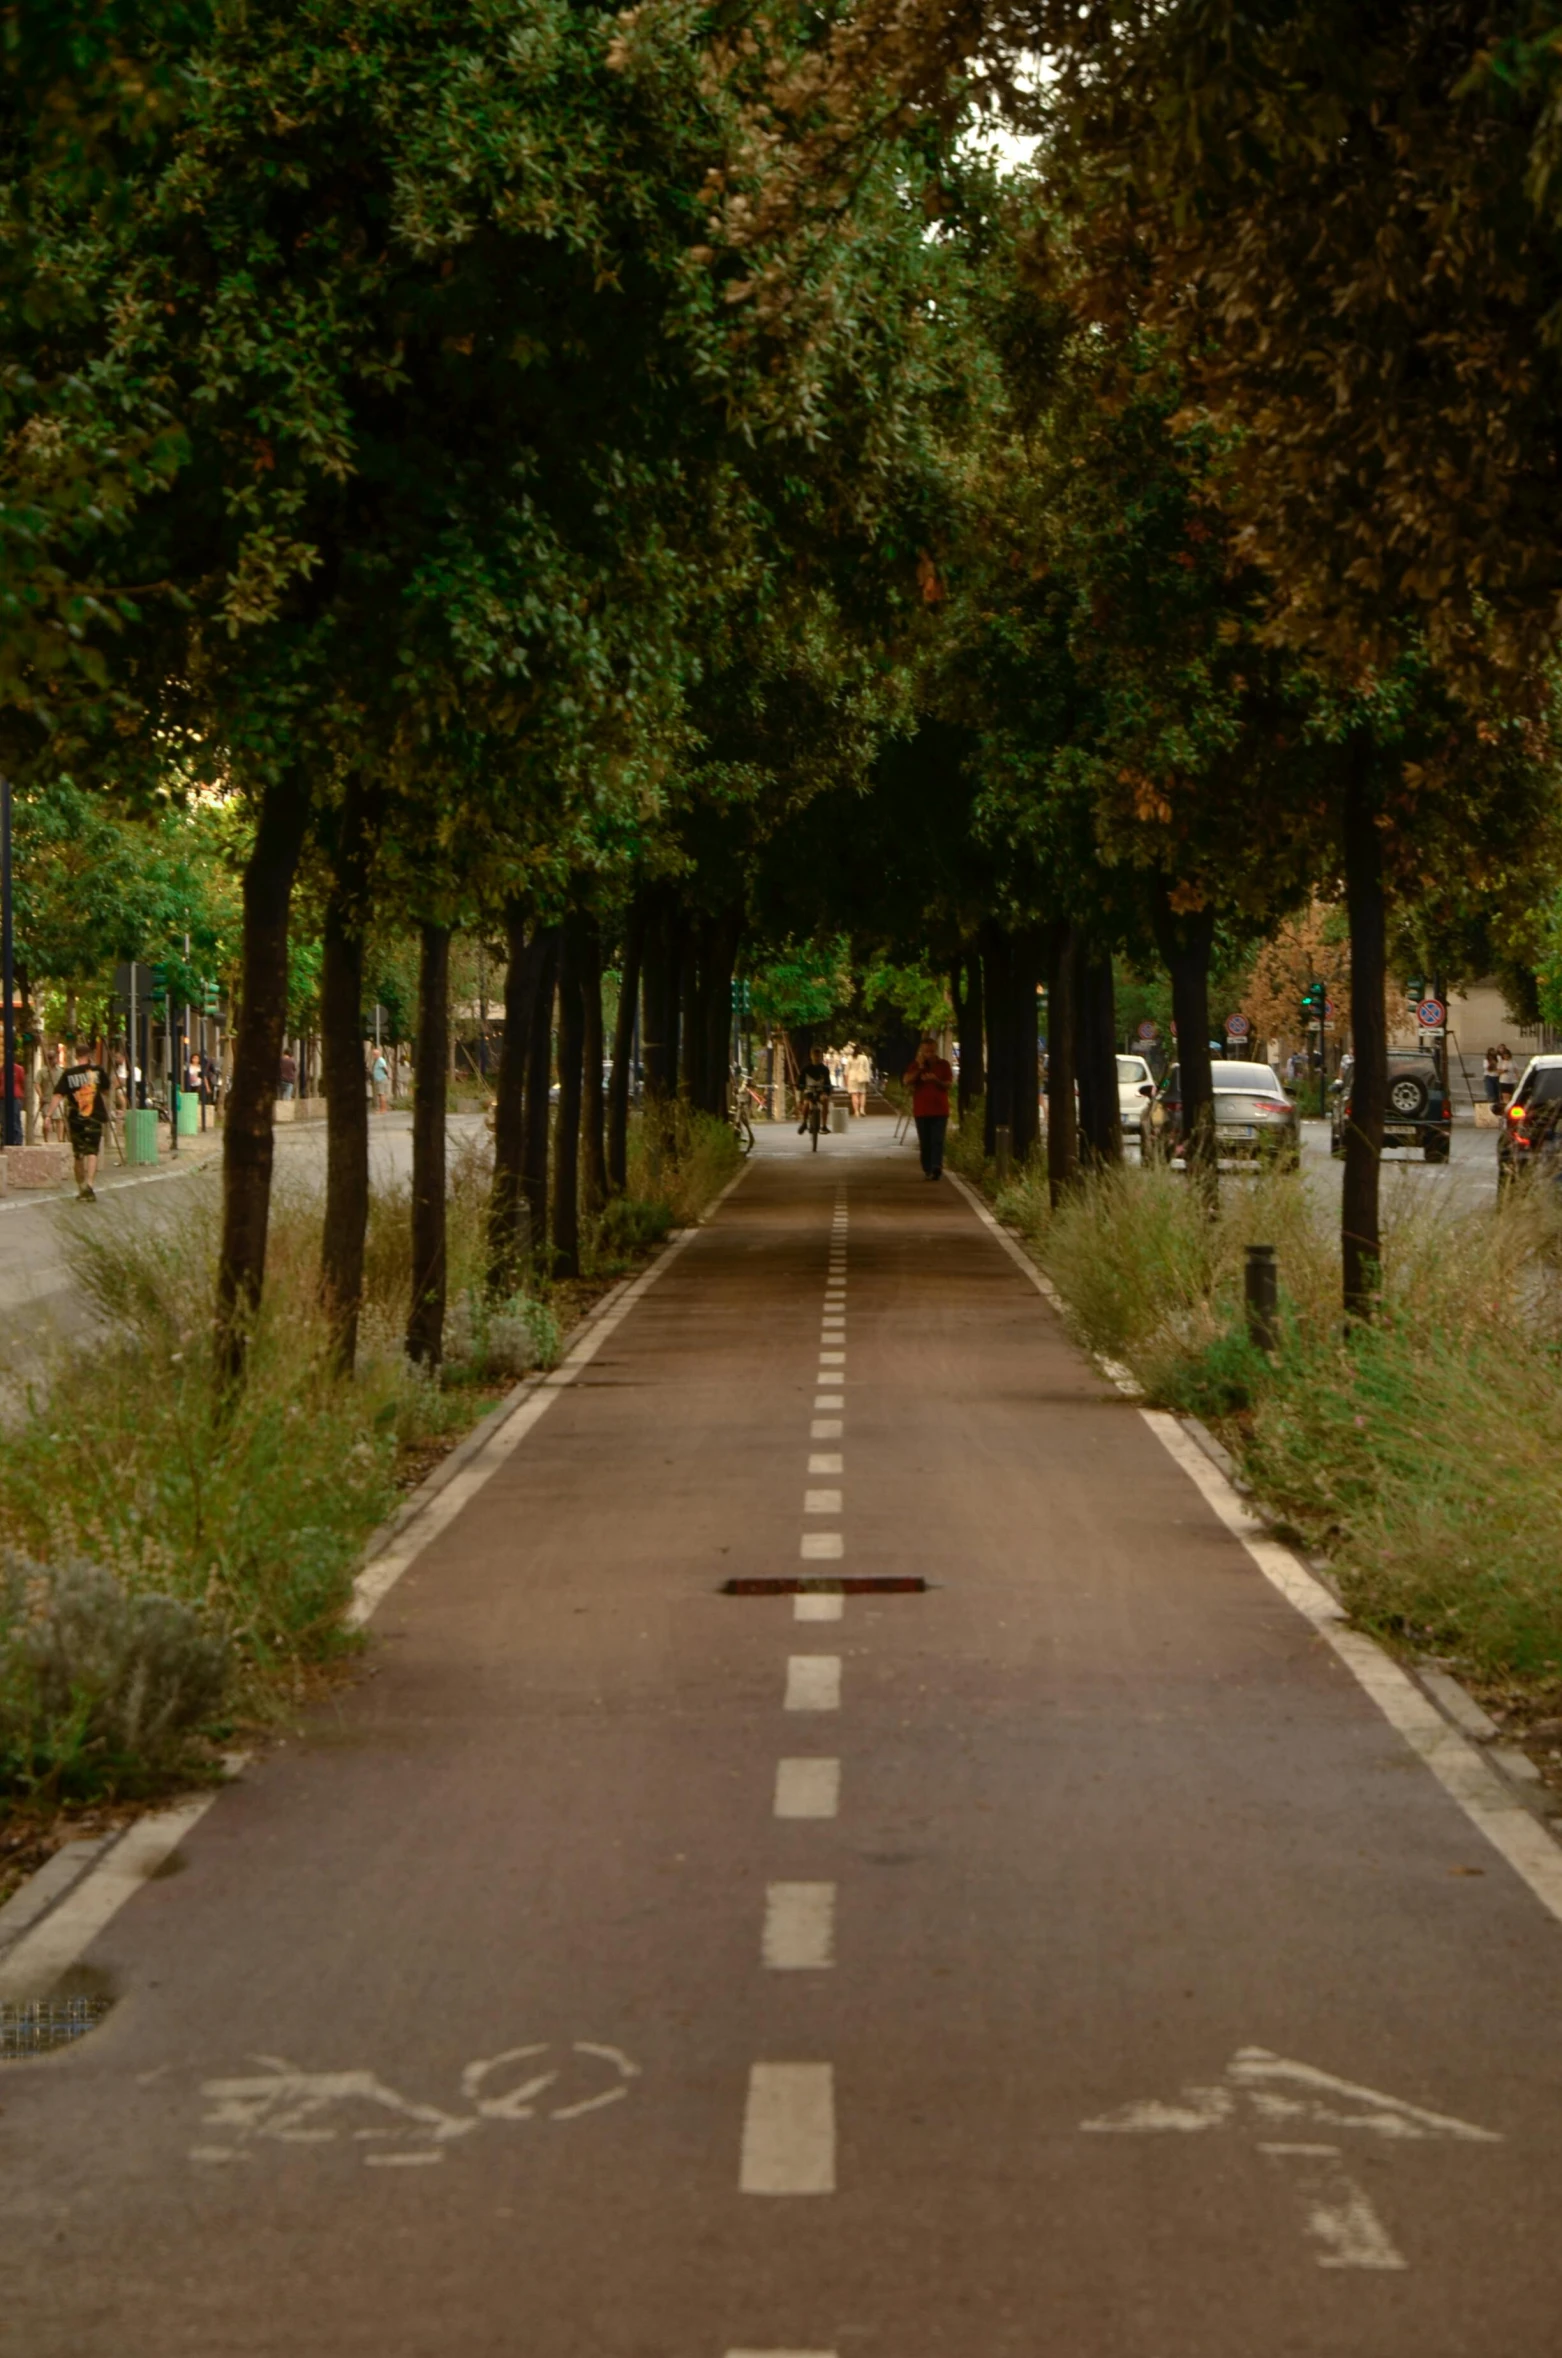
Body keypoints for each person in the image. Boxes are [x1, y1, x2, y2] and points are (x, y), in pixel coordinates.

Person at [54, 1045, 112, 1200]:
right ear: (90, 1055)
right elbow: (106, 1090)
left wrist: (48, 1115)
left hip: (76, 1118)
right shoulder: (98, 1071)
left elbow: (58, 1095)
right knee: (92, 1152)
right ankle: (90, 1185)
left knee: (78, 1154)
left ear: (75, 1055)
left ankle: (81, 1188)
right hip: (95, 1116)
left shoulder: (68, 1073)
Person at [904, 1034, 953, 1179]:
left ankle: (936, 1167)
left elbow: (949, 1084)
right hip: (922, 1110)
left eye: (931, 1051)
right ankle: (927, 1168)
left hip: (940, 1109)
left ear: (935, 1051)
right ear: (921, 1052)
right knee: (925, 1141)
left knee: (937, 1140)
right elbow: (907, 1080)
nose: (929, 1055)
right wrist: (919, 1068)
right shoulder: (915, 1065)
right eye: (926, 1052)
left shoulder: (943, 1065)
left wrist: (936, 1080)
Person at [796, 1045, 832, 1134]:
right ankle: (804, 1122)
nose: (817, 1058)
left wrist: (826, 1092)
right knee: (807, 1103)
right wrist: (800, 1089)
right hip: (809, 1091)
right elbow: (800, 1083)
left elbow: (827, 1083)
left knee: (825, 1100)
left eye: (819, 1055)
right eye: (815, 1055)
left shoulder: (825, 1069)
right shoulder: (805, 1069)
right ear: (811, 1056)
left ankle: (824, 1125)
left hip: (820, 1092)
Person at [846, 1041, 873, 1118]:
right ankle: (862, 1109)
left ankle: (856, 1111)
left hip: (852, 1078)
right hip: (862, 1077)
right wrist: (868, 1078)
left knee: (854, 1094)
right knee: (862, 1093)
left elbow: (846, 1071)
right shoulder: (864, 1058)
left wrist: (846, 1081)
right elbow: (867, 1069)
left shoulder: (850, 1058)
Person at [370, 1047, 389, 1113]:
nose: (373, 1056)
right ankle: (383, 1109)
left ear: (378, 1054)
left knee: (381, 1094)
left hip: (381, 1079)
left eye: (374, 1054)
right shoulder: (378, 1060)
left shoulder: (380, 1060)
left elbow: (385, 1069)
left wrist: (386, 1075)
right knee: (381, 1094)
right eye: (373, 1054)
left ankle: (382, 1110)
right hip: (380, 1079)